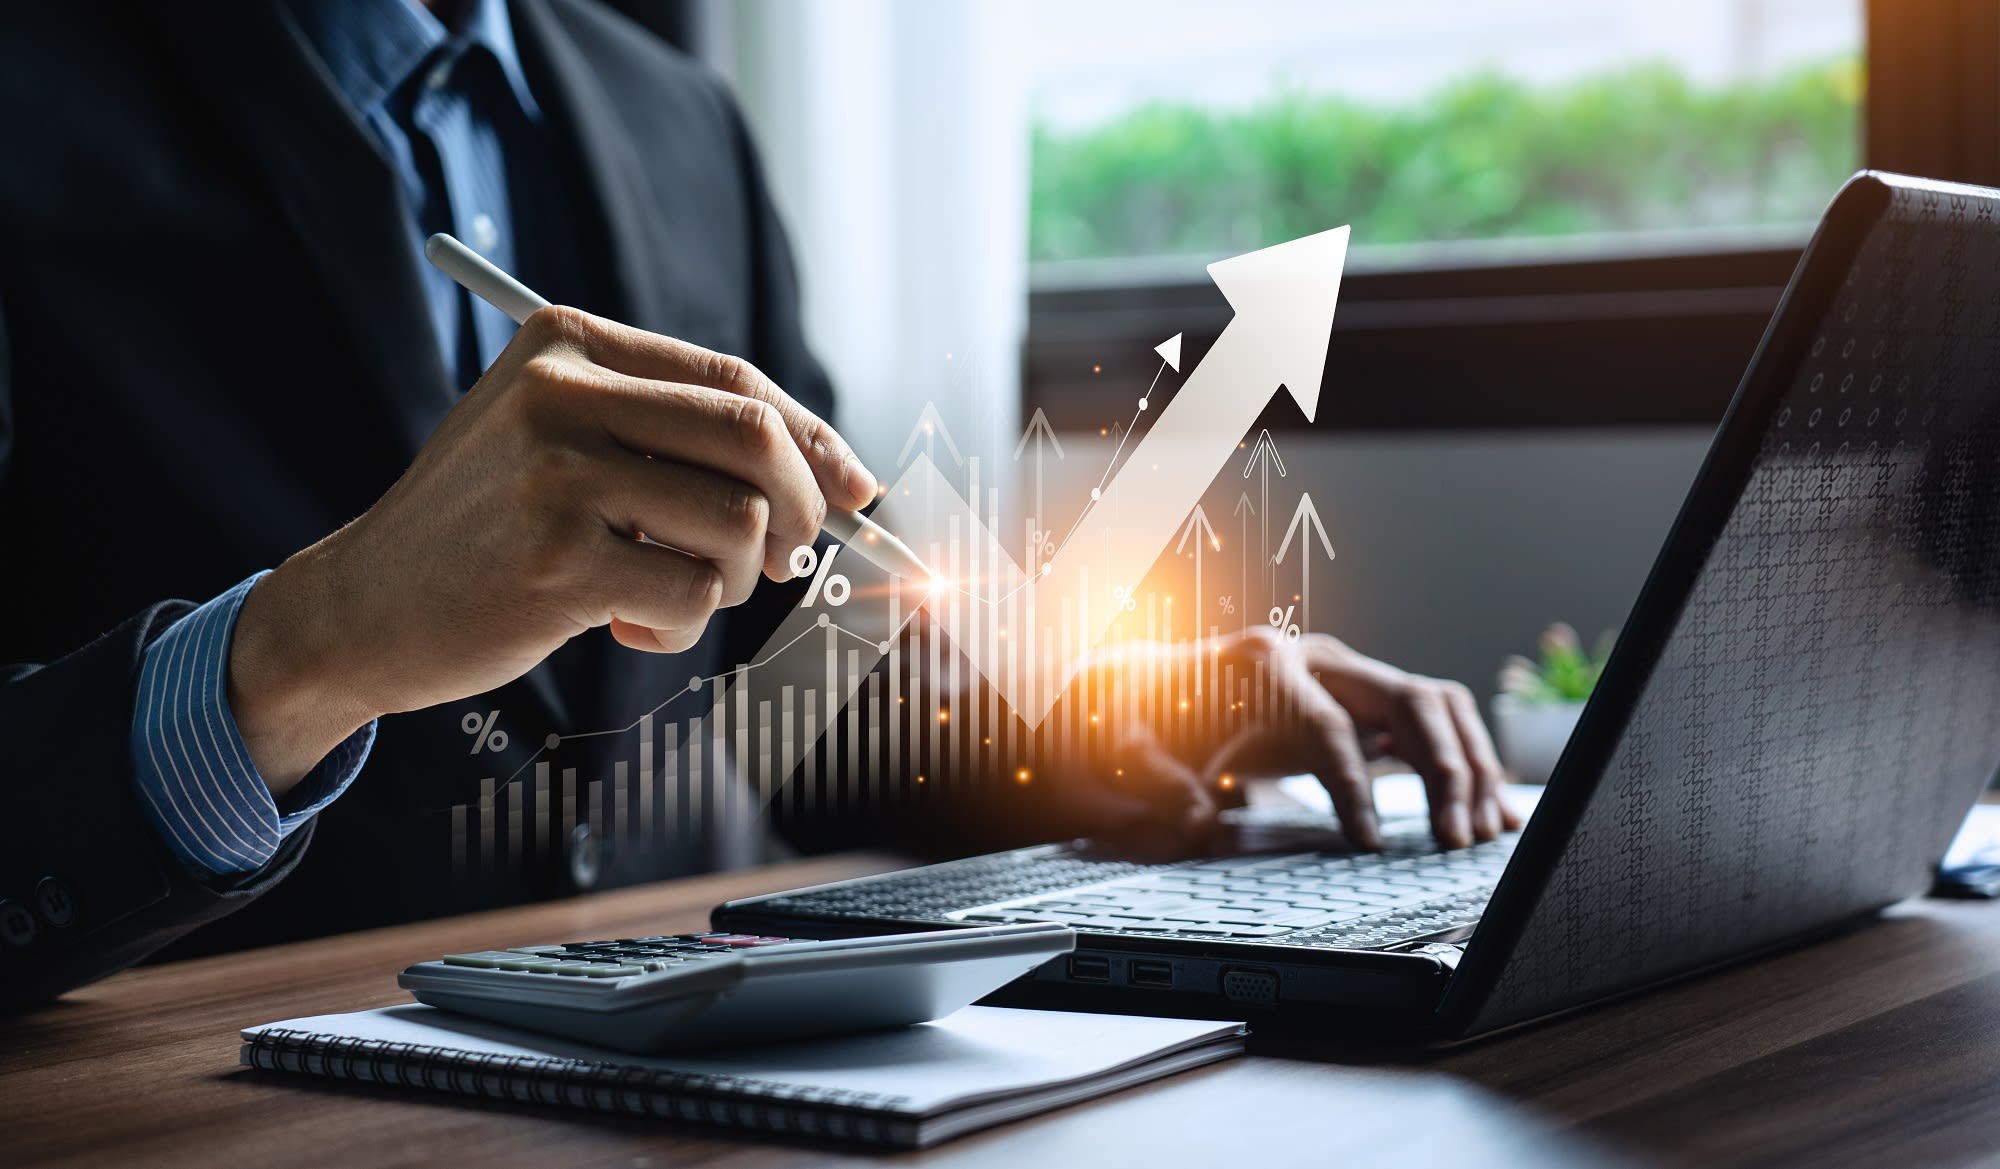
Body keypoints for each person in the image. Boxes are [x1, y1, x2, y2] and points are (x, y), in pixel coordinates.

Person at [0, 0, 1512, 1005]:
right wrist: (313, 645)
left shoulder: (673, 117)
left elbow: (816, 667)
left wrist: (1122, 713)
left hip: (691, 1081)